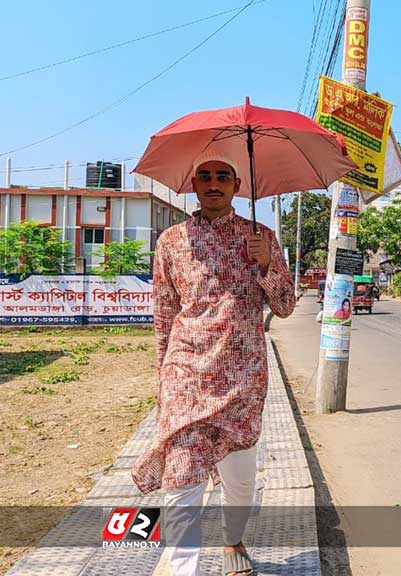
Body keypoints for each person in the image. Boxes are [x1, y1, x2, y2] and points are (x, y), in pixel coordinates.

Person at [131, 152, 295, 576]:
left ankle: (233, 541)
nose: (213, 183)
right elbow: (164, 313)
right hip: (186, 375)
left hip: (243, 377)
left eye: (223, 176)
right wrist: (163, 376)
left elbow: (286, 306)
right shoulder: (171, 242)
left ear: (237, 186)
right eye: (205, 176)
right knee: (181, 476)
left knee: (239, 478)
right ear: (193, 184)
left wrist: (265, 265)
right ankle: (181, 565)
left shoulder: (262, 237)